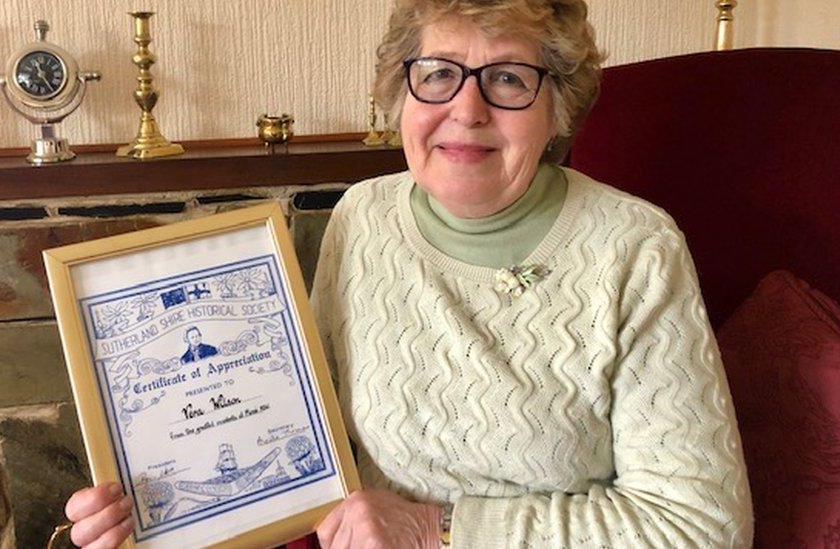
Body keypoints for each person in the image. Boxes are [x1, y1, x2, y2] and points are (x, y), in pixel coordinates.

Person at [64, 0, 754, 547]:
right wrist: (153, 503)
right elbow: (294, 433)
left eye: (509, 77)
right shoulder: (362, 217)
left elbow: (701, 528)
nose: (467, 109)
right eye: (438, 73)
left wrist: (436, 530)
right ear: (401, 92)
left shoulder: (635, 247)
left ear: (558, 106)